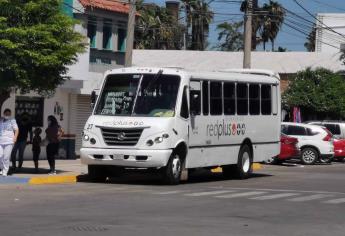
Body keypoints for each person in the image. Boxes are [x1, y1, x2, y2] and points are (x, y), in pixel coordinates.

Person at [0, 109, 19, 176]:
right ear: (4, 113)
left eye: (9, 114)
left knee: (6, 157)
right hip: (1, 141)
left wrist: (15, 138)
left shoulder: (12, 120)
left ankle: (5, 171)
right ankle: (2, 169)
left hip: (9, 141)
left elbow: (16, 130)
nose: (7, 115)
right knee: (0, 156)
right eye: (6, 114)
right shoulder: (1, 120)